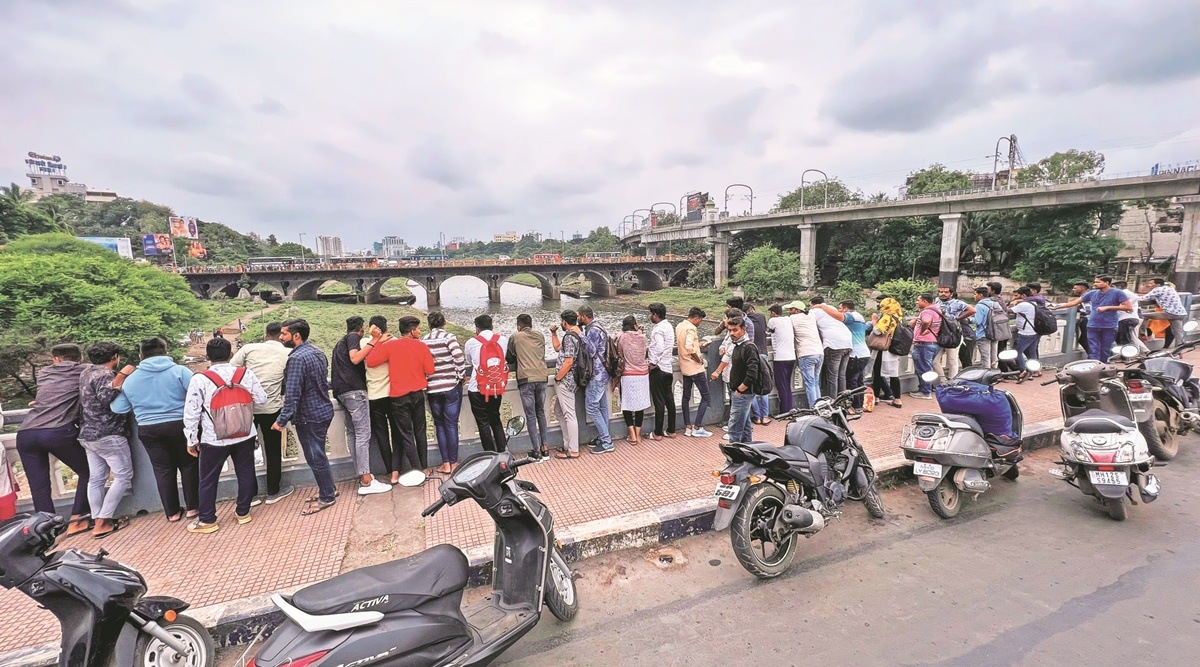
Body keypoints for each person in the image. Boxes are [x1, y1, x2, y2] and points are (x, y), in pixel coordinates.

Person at [183, 337, 268, 534]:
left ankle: (208, 520)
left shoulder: (200, 379)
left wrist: (191, 439)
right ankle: (243, 513)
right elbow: (262, 399)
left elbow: (192, 412)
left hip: (214, 438)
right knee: (246, 472)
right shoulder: (245, 374)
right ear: (230, 354)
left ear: (207, 357)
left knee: (208, 479)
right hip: (245, 433)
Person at [112, 337, 199, 523]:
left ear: (140, 355)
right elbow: (197, 395)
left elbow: (118, 408)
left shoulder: (132, 380)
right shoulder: (180, 371)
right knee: (188, 465)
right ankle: (193, 508)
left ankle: (173, 513)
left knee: (163, 470)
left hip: (149, 429)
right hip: (179, 426)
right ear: (165, 351)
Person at [16, 344, 91, 535]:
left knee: (39, 486)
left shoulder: (44, 373)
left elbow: (52, 394)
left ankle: (46, 531)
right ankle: (78, 518)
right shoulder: (84, 371)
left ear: (56, 359)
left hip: (27, 432)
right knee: (89, 471)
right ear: (80, 359)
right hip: (56, 431)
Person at [273, 319, 338, 516]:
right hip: (323, 410)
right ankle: (329, 488)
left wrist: (281, 421)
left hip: (309, 414)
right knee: (319, 454)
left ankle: (327, 496)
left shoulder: (296, 359)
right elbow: (323, 382)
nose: (280, 337)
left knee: (315, 456)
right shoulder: (317, 352)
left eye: (284, 334)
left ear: (296, 336)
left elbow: (292, 393)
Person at [231, 322, 294, 503]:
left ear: (265, 335)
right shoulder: (288, 353)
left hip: (246, 408)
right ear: (281, 337)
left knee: (245, 451)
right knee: (273, 450)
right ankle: (273, 492)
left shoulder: (249, 349)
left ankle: (250, 495)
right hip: (271, 408)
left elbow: (231, 368)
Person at [367, 316, 436, 474]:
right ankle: (424, 467)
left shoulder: (391, 346)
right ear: (412, 331)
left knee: (406, 434)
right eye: (418, 329)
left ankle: (417, 469)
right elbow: (430, 370)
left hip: (398, 397)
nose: (419, 331)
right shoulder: (421, 346)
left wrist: (379, 340)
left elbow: (370, 361)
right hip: (417, 394)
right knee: (420, 431)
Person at [331, 317, 391, 495]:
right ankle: (366, 479)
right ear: (362, 330)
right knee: (363, 434)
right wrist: (375, 340)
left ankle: (361, 474)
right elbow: (355, 358)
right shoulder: (352, 338)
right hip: (355, 392)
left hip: (341, 392)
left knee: (352, 433)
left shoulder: (338, 344)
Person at [78, 342, 132, 538]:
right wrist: (123, 375)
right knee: (123, 476)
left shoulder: (85, 372)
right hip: (107, 433)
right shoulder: (104, 375)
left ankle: (96, 518)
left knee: (96, 479)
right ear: (115, 357)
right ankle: (103, 521)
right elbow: (105, 397)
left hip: (88, 434)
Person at [361, 316, 405, 483]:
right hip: (392, 394)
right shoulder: (394, 341)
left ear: (372, 327)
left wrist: (375, 338)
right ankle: (396, 471)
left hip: (374, 396)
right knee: (397, 433)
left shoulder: (364, 343)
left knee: (382, 435)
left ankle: (389, 470)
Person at [423, 311, 467, 474]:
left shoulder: (424, 341)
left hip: (433, 387)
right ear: (444, 323)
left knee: (439, 424)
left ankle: (446, 463)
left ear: (429, 325)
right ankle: (454, 462)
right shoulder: (449, 337)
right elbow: (459, 357)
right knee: (451, 424)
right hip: (450, 386)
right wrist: (460, 375)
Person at [1054, 276, 1131, 361]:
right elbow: (1075, 302)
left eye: (1098, 282)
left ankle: (1103, 366)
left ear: (1106, 283)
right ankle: (1094, 367)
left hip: (1109, 325)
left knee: (1105, 349)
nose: (1095, 284)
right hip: (1092, 324)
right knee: (1093, 349)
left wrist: (1107, 307)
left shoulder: (1117, 293)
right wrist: (1059, 306)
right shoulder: (1092, 293)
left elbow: (1128, 307)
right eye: (1095, 282)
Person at [507, 314, 551, 459]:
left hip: (526, 379)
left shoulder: (515, 337)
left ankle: (536, 450)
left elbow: (509, 357)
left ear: (519, 326)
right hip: (542, 376)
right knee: (541, 412)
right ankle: (545, 447)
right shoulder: (540, 336)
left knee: (531, 416)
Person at [464, 314, 510, 453]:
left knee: (483, 423)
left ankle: (490, 454)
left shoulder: (471, 343)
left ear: (477, 328)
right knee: (495, 419)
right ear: (492, 326)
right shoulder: (502, 340)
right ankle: (503, 451)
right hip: (496, 386)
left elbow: (469, 361)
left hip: (477, 388)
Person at [578, 306, 614, 454]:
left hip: (597, 373)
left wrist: (580, 335)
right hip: (604, 372)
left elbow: (592, 352)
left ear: (585, 317)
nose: (577, 318)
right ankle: (603, 437)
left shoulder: (592, 330)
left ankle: (606, 441)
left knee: (592, 407)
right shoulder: (599, 326)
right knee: (602, 406)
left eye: (578, 316)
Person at [550, 311, 583, 458]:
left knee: (569, 414)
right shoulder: (575, 334)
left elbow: (569, 361)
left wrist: (558, 378)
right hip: (570, 380)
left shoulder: (570, 337)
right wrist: (553, 333)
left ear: (564, 322)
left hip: (566, 381)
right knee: (558, 410)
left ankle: (573, 449)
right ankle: (567, 444)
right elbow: (559, 349)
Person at [615, 315, 651, 445]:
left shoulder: (621, 337)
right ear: (635, 324)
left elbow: (617, 346)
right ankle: (638, 434)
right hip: (642, 374)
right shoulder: (643, 337)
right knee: (639, 405)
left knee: (627, 405)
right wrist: (639, 330)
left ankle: (632, 435)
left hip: (628, 374)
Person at [725, 316, 762, 444]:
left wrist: (740, 390)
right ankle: (748, 454)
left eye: (735, 330)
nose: (732, 334)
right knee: (745, 427)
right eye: (729, 330)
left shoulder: (749, 347)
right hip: (738, 392)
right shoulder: (737, 346)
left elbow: (753, 373)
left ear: (744, 329)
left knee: (734, 428)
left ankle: (733, 457)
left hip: (743, 393)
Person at [676, 307, 712, 438]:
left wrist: (700, 345)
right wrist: (699, 360)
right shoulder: (691, 328)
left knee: (686, 397)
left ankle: (688, 426)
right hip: (695, 368)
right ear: (696, 318)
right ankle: (697, 426)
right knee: (706, 396)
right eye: (700, 320)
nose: (700, 323)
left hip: (684, 367)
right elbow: (689, 348)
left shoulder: (680, 326)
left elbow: (685, 345)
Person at [809, 296, 853, 400]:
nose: (810, 308)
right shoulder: (831, 308)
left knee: (832, 376)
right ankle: (843, 401)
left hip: (834, 343)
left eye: (810, 305)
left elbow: (810, 327)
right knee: (842, 374)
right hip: (847, 341)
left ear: (813, 305)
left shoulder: (814, 312)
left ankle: (832, 402)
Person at [646, 303, 677, 440]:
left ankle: (657, 432)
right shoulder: (668, 326)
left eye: (651, 314)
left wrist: (653, 363)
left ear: (656, 315)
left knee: (659, 402)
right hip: (668, 367)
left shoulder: (657, 330)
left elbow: (659, 347)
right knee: (670, 400)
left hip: (658, 369)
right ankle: (671, 430)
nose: (649, 316)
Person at [787, 300, 824, 408]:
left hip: (806, 353)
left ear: (797, 310)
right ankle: (820, 407)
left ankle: (814, 408)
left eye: (791, 309)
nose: (789, 312)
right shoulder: (811, 316)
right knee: (816, 382)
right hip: (819, 352)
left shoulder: (792, 319)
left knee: (810, 383)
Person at [935, 286, 975, 381]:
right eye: (940, 292)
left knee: (952, 360)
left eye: (945, 292)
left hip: (953, 334)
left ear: (951, 294)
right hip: (940, 334)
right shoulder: (937, 303)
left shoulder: (957, 303)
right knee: (934, 361)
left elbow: (972, 310)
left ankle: (952, 382)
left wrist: (957, 319)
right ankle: (943, 381)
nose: (942, 294)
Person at [871, 298, 905, 408]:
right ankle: (897, 399)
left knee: (877, 372)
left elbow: (877, 331)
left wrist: (874, 321)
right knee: (894, 374)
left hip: (884, 347)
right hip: (894, 347)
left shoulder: (887, 317)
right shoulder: (898, 317)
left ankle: (876, 397)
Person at [907, 293, 942, 400]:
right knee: (926, 367)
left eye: (918, 300)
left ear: (925, 301)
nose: (917, 302)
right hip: (933, 343)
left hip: (924, 344)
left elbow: (926, 321)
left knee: (923, 368)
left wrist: (922, 331)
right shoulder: (937, 309)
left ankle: (925, 392)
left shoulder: (927, 311)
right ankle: (926, 389)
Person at [838, 301, 871, 412]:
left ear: (845, 309)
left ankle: (855, 406)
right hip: (864, 353)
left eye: (840, 308)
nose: (839, 311)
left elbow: (836, 316)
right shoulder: (859, 317)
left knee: (852, 381)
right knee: (859, 381)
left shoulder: (850, 317)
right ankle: (859, 406)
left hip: (855, 355)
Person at [766, 304, 797, 413]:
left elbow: (767, 331)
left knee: (781, 385)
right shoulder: (788, 319)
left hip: (780, 358)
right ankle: (790, 408)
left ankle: (784, 411)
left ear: (773, 313)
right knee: (787, 384)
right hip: (791, 357)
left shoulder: (773, 321)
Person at [744, 304, 771, 425]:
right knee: (764, 385)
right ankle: (765, 416)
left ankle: (757, 416)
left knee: (752, 388)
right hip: (763, 354)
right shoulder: (761, 317)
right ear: (753, 309)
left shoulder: (745, 323)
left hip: (752, 355)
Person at [1142, 277, 1188, 347]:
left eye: (1151, 283)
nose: (1149, 285)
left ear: (1156, 284)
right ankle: (1179, 349)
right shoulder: (1170, 288)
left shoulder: (1157, 289)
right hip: (1181, 313)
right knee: (1178, 332)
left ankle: (1142, 334)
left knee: (1144, 315)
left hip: (1169, 313)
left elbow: (1142, 299)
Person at [1113, 281, 1150, 354]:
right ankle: (1144, 351)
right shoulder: (1122, 295)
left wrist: (1126, 306)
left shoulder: (1124, 292)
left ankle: (1134, 353)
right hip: (1130, 318)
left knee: (1128, 338)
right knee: (1133, 337)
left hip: (1128, 318)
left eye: (1113, 287)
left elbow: (1136, 297)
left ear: (1119, 287)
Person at [1010, 287, 1040, 376]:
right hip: (1034, 331)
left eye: (1017, 295)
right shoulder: (1033, 303)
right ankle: (1035, 371)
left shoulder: (1024, 305)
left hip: (1025, 333)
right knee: (1032, 353)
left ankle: (1023, 372)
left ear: (1023, 295)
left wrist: (1013, 304)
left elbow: (1008, 311)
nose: (1016, 297)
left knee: (1016, 352)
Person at [972, 287, 998, 369]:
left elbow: (977, 321)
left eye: (975, 294)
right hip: (995, 332)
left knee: (985, 357)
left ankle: (986, 376)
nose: (974, 296)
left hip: (983, 334)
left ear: (980, 295)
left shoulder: (979, 306)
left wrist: (968, 318)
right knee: (994, 355)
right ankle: (994, 373)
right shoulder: (995, 304)